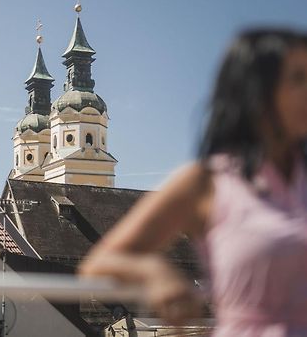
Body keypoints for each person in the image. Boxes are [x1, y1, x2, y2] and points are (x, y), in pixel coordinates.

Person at [79, 28, 307, 336]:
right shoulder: (207, 182)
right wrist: (155, 272)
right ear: (258, 92)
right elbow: (100, 262)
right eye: (297, 78)